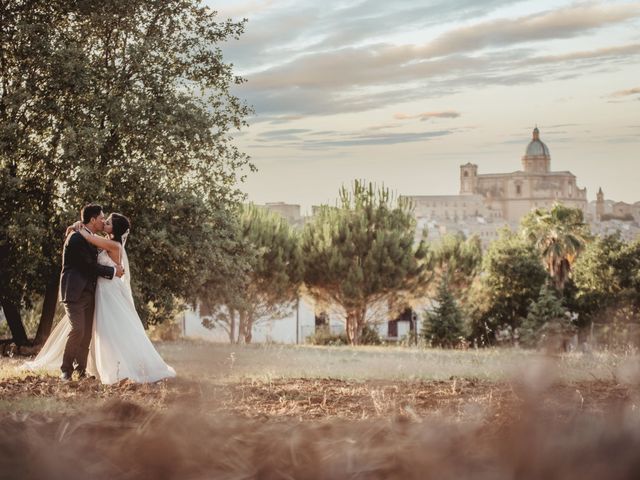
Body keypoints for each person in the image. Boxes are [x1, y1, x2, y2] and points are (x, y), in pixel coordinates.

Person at [24, 206, 176, 384]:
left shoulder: (107, 242)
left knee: (94, 332)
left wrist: (78, 227)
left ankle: (83, 369)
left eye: (108, 221)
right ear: (93, 219)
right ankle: (66, 370)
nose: (104, 222)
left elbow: (90, 240)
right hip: (80, 291)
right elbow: (88, 264)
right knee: (80, 330)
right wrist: (112, 269)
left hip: (102, 292)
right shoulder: (81, 239)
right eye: (103, 219)